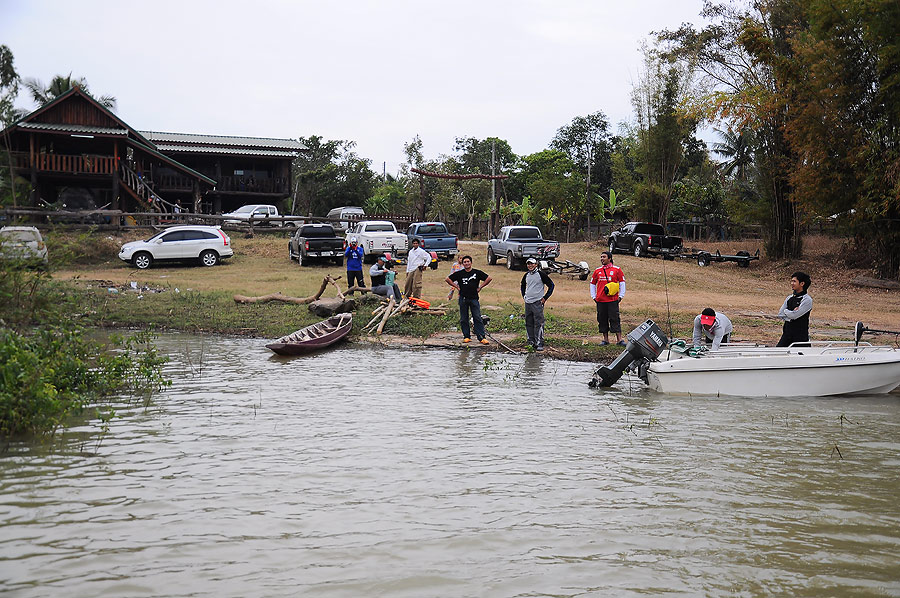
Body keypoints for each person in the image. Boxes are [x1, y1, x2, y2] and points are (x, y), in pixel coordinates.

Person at [446, 255, 492, 345]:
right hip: (463, 298)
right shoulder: (460, 273)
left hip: (474, 298)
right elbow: (447, 279)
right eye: (465, 262)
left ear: (471, 262)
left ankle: (481, 337)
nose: (466, 263)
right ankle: (466, 336)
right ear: (462, 264)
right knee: (464, 318)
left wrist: (480, 287)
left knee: (477, 317)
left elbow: (489, 278)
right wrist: (456, 286)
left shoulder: (477, 272)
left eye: (468, 262)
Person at [589, 251, 626, 345]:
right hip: (601, 300)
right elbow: (592, 283)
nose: (602, 259)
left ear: (609, 258)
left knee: (615, 318)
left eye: (604, 257)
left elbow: (622, 283)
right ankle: (605, 339)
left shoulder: (617, 269)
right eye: (601, 257)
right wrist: (594, 296)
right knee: (602, 319)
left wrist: (621, 296)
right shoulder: (597, 271)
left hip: (613, 300)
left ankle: (619, 340)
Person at [520, 257, 555, 351]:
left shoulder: (541, 274)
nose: (530, 266)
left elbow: (551, 285)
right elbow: (522, 285)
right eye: (528, 264)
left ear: (536, 264)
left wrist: (545, 298)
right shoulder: (526, 275)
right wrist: (524, 296)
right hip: (528, 302)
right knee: (529, 322)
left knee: (538, 323)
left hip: (537, 302)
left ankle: (539, 342)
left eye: (532, 264)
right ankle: (531, 341)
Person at [777, 271, 813, 347]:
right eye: (791, 281)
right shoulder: (789, 298)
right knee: (777, 353)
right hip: (787, 335)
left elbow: (795, 315)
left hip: (800, 337)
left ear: (802, 283)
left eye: (794, 281)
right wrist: (789, 315)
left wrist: (786, 312)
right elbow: (780, 314)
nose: (792, 283)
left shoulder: (807, 300)